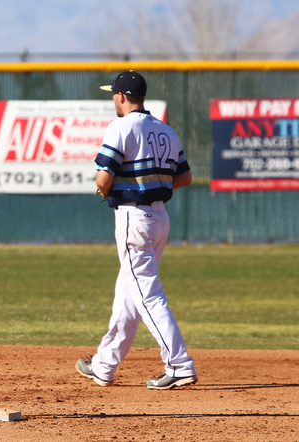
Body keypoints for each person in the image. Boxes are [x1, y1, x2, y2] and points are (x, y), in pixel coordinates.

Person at [75, 71, 197, 390]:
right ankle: (104, 364)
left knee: (146, 294)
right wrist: (153, 180)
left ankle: (180, 364)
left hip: (134, 218)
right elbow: (184, 177)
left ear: (121, 97)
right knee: (128, 292)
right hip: (160, 218)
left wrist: (104, 189)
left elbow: (103, 179)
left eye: (113, 95)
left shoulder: (120, 127)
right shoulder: (166, 130)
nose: (113, 99)